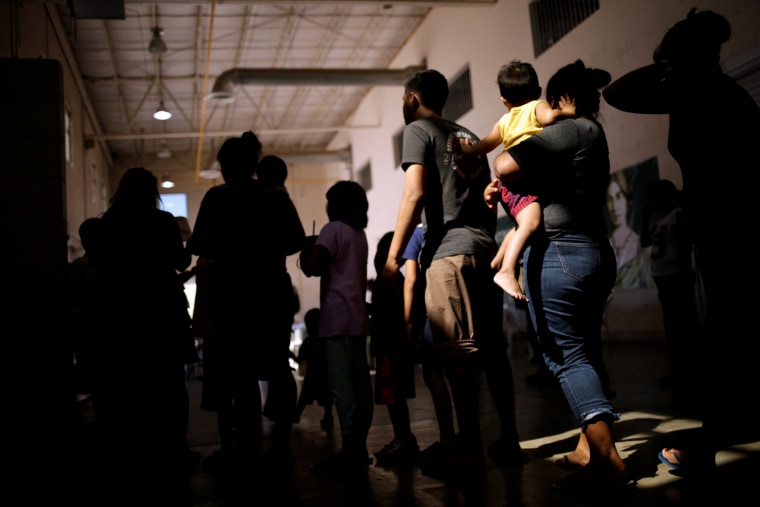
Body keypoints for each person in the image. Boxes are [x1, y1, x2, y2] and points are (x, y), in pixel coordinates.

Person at [603, 8, 760, 475]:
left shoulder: (711, 97)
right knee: (732, 336)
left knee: (726, 339)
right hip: (723, 234)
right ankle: (721, 434)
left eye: (670, 62)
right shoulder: (709, 93)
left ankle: (708, 448)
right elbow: (619, 92)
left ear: (684, 59)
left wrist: (672, 69)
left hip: (736, 234)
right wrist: (670, 69)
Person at [491, 60, 632, 492]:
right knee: (585, 349)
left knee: (565, 355)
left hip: (560, 250)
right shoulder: (589, 135)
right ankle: (589, 446)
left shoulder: (571, 129)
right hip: (590, 248)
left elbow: (503, 164)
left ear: (554, 101)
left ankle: (607, 459)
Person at [380, 69, 526, 478]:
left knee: (458, 352)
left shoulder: (418, 130)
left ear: (411, 98)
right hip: (484, 249)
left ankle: (470, 449)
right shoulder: (467, 134)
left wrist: (393, 259)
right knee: (493, 351)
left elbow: (415, 192)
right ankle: (509, 440)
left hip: (449, 254)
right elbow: (487, 201)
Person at [188, 131, 306, 476]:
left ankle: (238, 450)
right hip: (271, 293)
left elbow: (197, 244)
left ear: (225, 166)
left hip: (231, 297)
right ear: (254, 165)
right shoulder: (274, 195)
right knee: (277, 369)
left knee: (236, 377)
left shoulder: (216, 198)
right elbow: (295, 240)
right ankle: (282, 447)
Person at [87, 167, 196, 496]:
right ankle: (175, 447)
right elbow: (179, 263)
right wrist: (191, 246)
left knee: (128, 384)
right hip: (162, 312)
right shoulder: (163, 222)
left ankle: (132, 452)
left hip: (121, 316)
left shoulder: (106, 224)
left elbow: (98, 267)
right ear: (152, 193)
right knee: (171, 384)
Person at [458, 61, 576, 301]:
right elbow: (550, 117)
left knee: (522, 225)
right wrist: (568, 111)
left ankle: (498, 260)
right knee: (531, 224)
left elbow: (484, 146)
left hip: (511, 187)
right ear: (538, 90)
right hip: (520, 185)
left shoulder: (504, 121)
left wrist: (467, 150)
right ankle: (507, 271)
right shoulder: (537, 106)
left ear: (504, 100)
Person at [299, 180, 373, 474]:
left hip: (336, 317)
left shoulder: (332, 231)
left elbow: (313, 267)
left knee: (343, 388)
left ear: (338, 205)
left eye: (330, 202)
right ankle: (360, 447)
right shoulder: (359, 233)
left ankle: (350, 452)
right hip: (357, 317)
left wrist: (307, 250)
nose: (327, 208)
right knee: (361, 386)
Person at [641, 179, 702, 400]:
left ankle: (691, 370)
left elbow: (685, 241)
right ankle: (678, 369)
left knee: (685, 323)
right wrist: (645, 215)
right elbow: (645, 242)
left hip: (677, 274)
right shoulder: (658, 217)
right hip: (663, 276)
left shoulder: (677, 214)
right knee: (672, 324)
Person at [400, 224, 456, 461]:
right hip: (454, 301)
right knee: (458, 370)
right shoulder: (451, 227)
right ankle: (467, 436)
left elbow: (411, 279)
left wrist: (407, 320)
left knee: (433, 374)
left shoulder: (417, 233)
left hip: (429, 309)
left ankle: (447, 438)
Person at [370, 231, 420, 466]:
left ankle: (404, 439)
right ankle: (403, 437)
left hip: (390, 350)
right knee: (396, 398)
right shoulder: (397, 281)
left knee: (394, 399)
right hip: (397, 348)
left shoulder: (387, 282)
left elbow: (384, 317)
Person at [606, 171, 652, 291]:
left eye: (618, 196)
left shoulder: (637, 243)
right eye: (609, 199)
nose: (614, 207)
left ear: (627, 199)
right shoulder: (606, 245)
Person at [294, 308, 334, 430]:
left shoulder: (308, 342)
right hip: (325, 377)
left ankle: (296, 415)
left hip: (311, 377)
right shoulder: (326, 342)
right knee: (327, 401)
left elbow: (300, 359)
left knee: (304, 398)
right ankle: (328, 418)